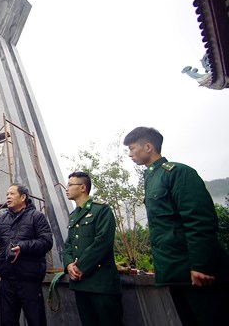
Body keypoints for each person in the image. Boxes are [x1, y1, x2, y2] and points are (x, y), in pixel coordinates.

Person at [123, 127, 229, 325]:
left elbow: (199, 220)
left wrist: (200, 265)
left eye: (132, 148)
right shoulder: (151, 178)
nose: (129, 154)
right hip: (175, 273)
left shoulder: (178, 173)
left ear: (148, 146)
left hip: (196, 273)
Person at [0, 183, 53, 326]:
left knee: (36, 320)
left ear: (23, 197)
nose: (8, 196)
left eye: (12, 194)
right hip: (8, 277)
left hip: (29, 278)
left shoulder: (36, 217)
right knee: (8, 321)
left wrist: (23, 247)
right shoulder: (2, 218)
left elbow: (46, 242)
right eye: (7, 194)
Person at [62, 171, 123, 326]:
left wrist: (80, 267)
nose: (66, 188)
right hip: (81, 284)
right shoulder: (73, 215)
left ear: (83, 187)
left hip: (101, 283)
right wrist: (69, 265)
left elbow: (102, 242)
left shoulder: (101, 210)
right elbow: (68, 244)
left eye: (70, 185)